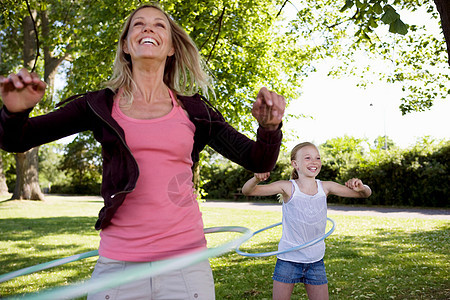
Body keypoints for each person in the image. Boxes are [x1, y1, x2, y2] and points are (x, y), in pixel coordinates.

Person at [0, 4, 286, 299]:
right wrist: (14, 112)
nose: (148, 28)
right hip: (118, 266)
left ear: (172, 48)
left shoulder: (196, 111)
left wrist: (269, 128)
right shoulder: (97, 106)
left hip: (186, 266)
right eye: (138, 24)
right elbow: (17, 140)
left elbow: (258, 160)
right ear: (125, 45)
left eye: (159, 25)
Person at [242, 142, 371, 300]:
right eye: (308, 158)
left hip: (315, 260)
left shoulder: (326, 187)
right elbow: (248, 191)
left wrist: (361, 187)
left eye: (317, 158)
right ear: (295, 164)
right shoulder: (288, 187)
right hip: (288, 259)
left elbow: (364, 194)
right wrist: (256, 179)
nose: (314, 162)